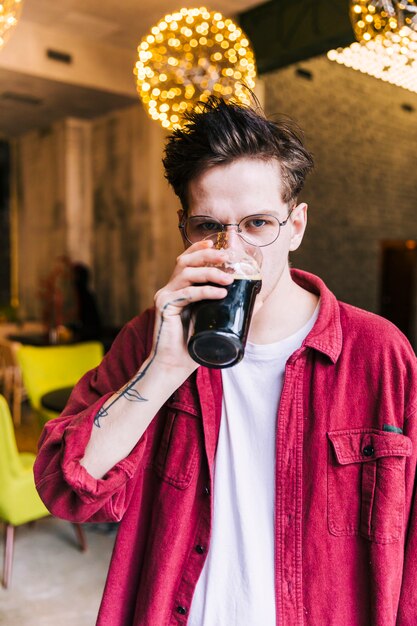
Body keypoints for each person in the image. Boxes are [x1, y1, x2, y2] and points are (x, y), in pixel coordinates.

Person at [34, 97, 417, 626]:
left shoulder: (379, 352)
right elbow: (63, 486)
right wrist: (164, 367)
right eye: (207, 226)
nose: (232, 248)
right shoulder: (152, 336)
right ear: (184, 230)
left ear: (297, 226)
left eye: (258, 224)